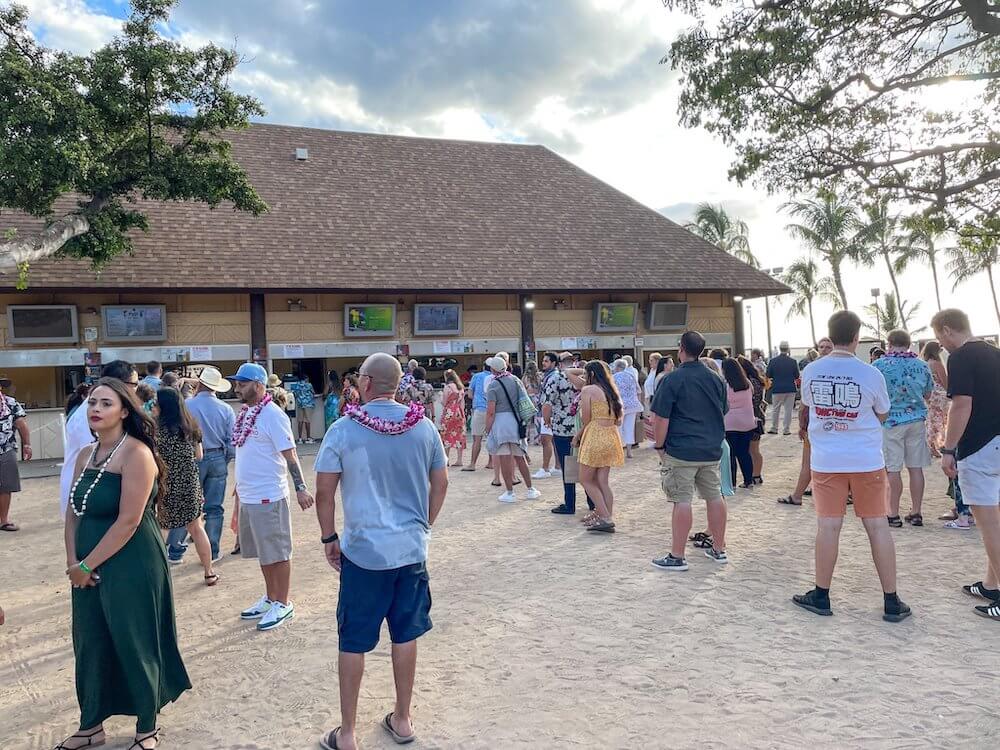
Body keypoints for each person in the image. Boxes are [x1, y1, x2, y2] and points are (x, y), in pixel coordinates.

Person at [314, 353, 448, 750]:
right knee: (405, 634)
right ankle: (403, 719)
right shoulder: (423, 427)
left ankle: (349, 732)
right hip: (409, 550)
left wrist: (328, 537)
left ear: (366, 383)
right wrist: (424, 523)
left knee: (353, 639)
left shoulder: (343, 429)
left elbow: (325, 490)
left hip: (364, 551)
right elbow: (440, 483)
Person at [59, 377, 189, 750]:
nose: (95, 410)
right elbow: (73, 512)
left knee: (136, 638)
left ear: (124, 410)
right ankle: (91, 725)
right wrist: (73, 561)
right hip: (84, 564)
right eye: (92, 403)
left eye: (105, 403)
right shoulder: (86, 454)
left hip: (131, 561)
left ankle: (146, 726)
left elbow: (129, 521)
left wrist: (86, 565)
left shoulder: (137, 453)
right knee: (90, 640)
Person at [793, 311, 910, 622]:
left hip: (827, 460)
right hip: (866, 459)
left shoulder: (812, 370)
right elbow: (883, 414)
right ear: (858, 337)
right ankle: (891, 600)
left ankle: (821, 594)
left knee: (828, 526)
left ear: (829, 336)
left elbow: (810, 406)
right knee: (877, 526)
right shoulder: (871, 374)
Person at [229, 363, 315, 632]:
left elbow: (290, 455)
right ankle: (270, 598)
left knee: (277, 551)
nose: (237, 388)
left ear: (258, 385)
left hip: (269, 496)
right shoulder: (246, 412)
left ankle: (283, 602)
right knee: (263, 553)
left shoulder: (273, 415)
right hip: (250, 495)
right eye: (237, 383)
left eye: (242, 383)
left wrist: (300, 487)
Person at [932, 308, 1000, 621]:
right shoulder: (994, 353)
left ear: (947, 330)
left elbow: (961, 405)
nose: (940, 345)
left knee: (990, 525)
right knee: (994, 519)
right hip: (997, 442)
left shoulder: (960, 357)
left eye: (939, 337)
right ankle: (991, 584)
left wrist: (949, 448)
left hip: (979, 446)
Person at [650, 331, 729, 570]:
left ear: (681, 348)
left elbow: (660, 419)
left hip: (682, 448)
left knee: (681, 500)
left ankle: (677, 555)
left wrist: (660, 446)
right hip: (711, 447)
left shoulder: (671, 379)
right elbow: (723, 410)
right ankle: (719, 548)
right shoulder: (715, 378)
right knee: (714, 496)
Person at [152, 387, 218, 585]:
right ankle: (209, 572)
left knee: (161, 530)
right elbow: (199, 456)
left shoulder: (155, 430)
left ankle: (156, 577)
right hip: (190, 483)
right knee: (197, 528)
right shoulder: (190, 426)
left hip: (166, 484)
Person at [170, 366, 235, 563]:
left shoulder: (187, 406)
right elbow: (232, 442)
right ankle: (212, 550)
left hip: (191, 457)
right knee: (214, 508)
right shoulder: (226, 409)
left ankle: (175, 551)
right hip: (217, 457)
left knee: (186, 505)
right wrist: (224, 459)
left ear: (200, 383)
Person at [60, 361, 139, 518]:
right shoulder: (93, 416)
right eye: (135, 384)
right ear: (120, 385)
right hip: (87, 490)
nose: (137, 389)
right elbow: (96, 460)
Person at [872, 329, 934, 527]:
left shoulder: (879, 365)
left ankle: (893, 513)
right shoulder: (921, 365)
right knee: (916, 469)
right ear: (909, 344)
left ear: (889, 343)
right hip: (916, 420)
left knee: (893, 469)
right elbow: (928, 394)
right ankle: (916, 512)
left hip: (891, 421)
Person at [777, 337, 834, 506]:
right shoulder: (814, 369)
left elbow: (804, 403)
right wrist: (802, 425)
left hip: (828, 423)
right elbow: (804, 403)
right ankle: (799, 494)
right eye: (822, 347)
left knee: (814, 462)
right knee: (809, 462)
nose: (824, 349)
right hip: (817, 424)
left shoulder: (813, 369)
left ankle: (798, 495)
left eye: (828, 347)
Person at [575, 360, 625, 532]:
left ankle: (604, 516)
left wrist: (579, 434)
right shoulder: (612, 391)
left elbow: (586, 419)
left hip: (595, 435)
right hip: (611, 435)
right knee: (602, 481)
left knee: (585, 479)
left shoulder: (588, 390)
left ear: (592, 375)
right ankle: (604, 513)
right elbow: (619, 420)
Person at [484, 356, 539, 503]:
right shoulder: (515, 380)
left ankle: (509, 492)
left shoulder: (493, 385)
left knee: (504, 458)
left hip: (501, 422)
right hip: (516, 421)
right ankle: (530, 489)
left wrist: (487, 428)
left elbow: (490, 411)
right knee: (519, 456)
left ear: (493, 369)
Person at [543, 352, 591, 515]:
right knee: (585, 464)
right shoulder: (584, 377)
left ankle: (569, 504)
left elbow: (547, 404)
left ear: (558, 363)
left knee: (567, 467)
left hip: (562, 428)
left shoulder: (555, 379)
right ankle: (592, 501)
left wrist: (546, 420)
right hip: (583, 426)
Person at [722, 357, 757, 489]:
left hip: (729, 423)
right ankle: (748, 480)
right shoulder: (747, 383)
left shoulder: (725, 385)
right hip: (747, 422)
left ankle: (732, 483)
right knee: (744, 453)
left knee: (730, 454)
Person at [0, 376, 30, 532]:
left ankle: (3, 521)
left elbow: (21, 424)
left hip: (6, 448)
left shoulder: (10, 403)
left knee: (6, 485)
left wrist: (27, 445)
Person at [737, 356, 766, 484]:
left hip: (752, 417)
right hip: (758, 416)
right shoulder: (757, 380)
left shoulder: (748, 382)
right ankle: (757, 475)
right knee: (754, 449)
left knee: (752, 449)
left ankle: (755, 474)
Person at [531, 354, 559, 479]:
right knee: (553, 440)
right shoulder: (550, 375)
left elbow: (548, 398)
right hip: (551, 412)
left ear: (553, 363)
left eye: (546, 361)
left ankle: (545, 468)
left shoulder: (553, 376)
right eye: (543, 360)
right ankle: (557, 466)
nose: (543, 363)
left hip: (549, 412)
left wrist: (546, 415)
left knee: (546, 440)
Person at [921, 341, 949, 459]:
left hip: (929, 394)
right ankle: (936, 445)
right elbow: (945, 382)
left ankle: (931, 445)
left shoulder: (924, 364)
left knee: (931, 420)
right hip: (939, 394)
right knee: (940, 421)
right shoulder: (937, 364)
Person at [612, 359, 643, 459]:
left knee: (619, 428)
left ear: (617, 367)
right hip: (632, 405)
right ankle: (629, 451)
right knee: (629, 428)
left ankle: (619, 451)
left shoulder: (614, 377)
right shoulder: (631, 375)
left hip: (620, 405)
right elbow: (639, 390)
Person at [766, 341, 799, 435]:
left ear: (780, 349)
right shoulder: (793, 361)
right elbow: (796, 375)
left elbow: (768, 374)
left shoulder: (773, 361)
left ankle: (774, 428)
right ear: (788, 349)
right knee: (788, 410)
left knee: (776, 409)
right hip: (790, 388)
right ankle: (786, 429)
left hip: (777, 388)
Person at [463, 362, 491, 471]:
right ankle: (491, 462)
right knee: (491, 437)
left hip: (479, 409)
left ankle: (472, 464)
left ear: (483, 367)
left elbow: (470, 394)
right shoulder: (495, 377)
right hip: (492, 410)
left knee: (477, 439)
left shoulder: (477, 376)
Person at [439, 369, 467, 467]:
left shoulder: (447, 387)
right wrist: (463, 415)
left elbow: (444, 402)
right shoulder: (460, 388)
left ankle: (446, 459)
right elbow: (462, 404)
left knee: (446, 434)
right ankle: (459, 460)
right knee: (459, 435)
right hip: (459, 412)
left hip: (449, 412)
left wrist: (440, 397)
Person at [289, 373, 318, 444]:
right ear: (306, 378)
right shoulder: (309, 385)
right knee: (307, 421)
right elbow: (313, 393)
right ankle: (308, 438)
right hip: (308, 404)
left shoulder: (297, 385)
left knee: (300, 421)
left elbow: (295, 395)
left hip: (300, 404)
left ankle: (300, 439)